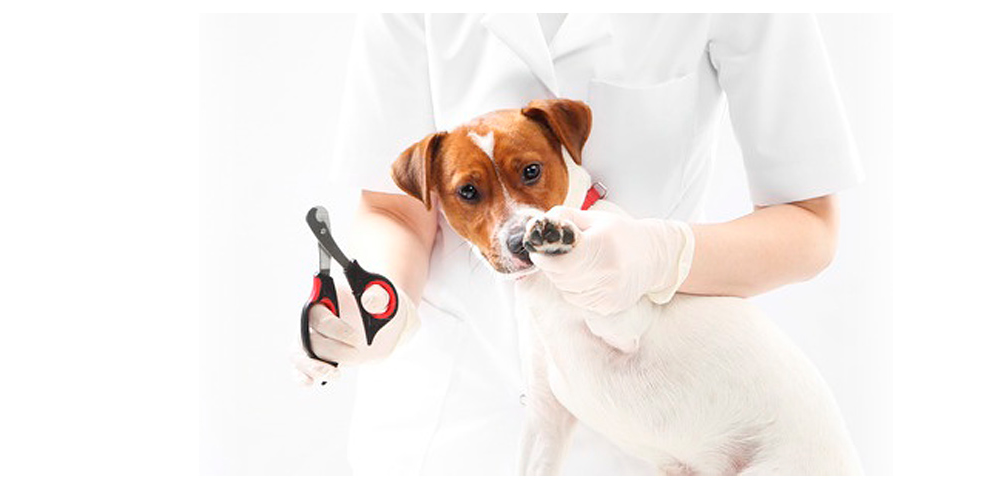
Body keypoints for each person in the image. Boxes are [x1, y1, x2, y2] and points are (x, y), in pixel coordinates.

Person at [291, 13, 862, 475]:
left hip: (661, 434)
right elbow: (395, 207)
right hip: (444, 429)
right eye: (470, 192)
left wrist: (663, 256)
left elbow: (809, 221)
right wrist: (376, 298)